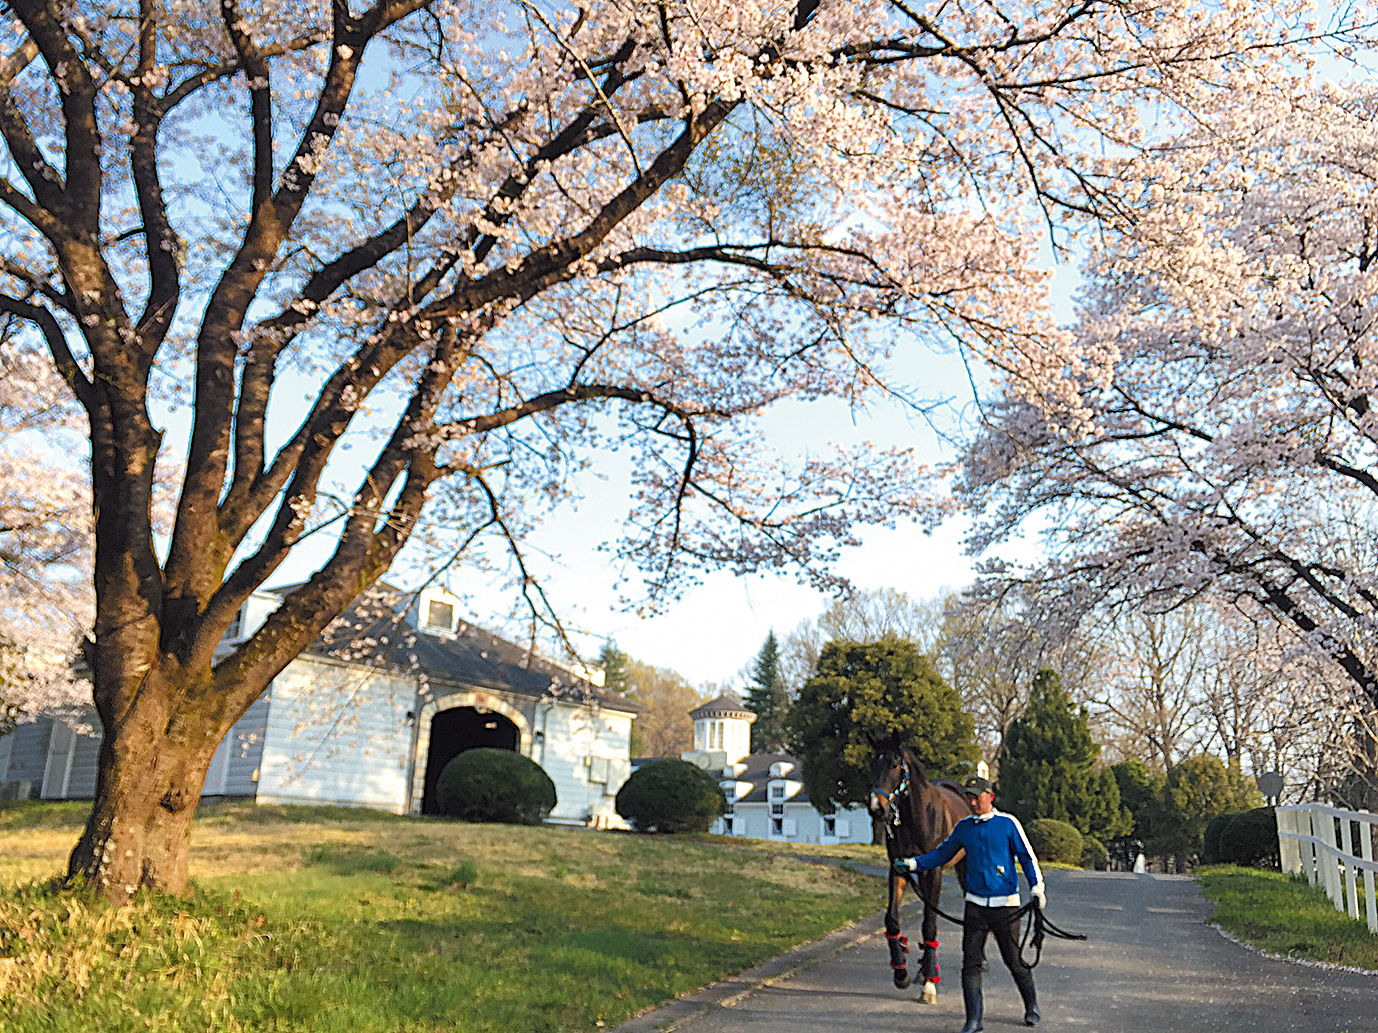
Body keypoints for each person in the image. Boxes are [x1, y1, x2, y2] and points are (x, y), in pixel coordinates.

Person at [893, 775, 1043, 1033]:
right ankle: (974, 1019)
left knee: (1013, 960)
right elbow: (942, 854)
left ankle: (1032, 1006)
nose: (972, 802)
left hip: (1006, 905)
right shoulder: (964, 827)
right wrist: (914, 864)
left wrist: (1037, 887)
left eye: (977, 797)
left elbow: (1026, 857)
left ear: (990, 797)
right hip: (975, 905)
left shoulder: (1008, 824)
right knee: (970, 964)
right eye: (968, 798)